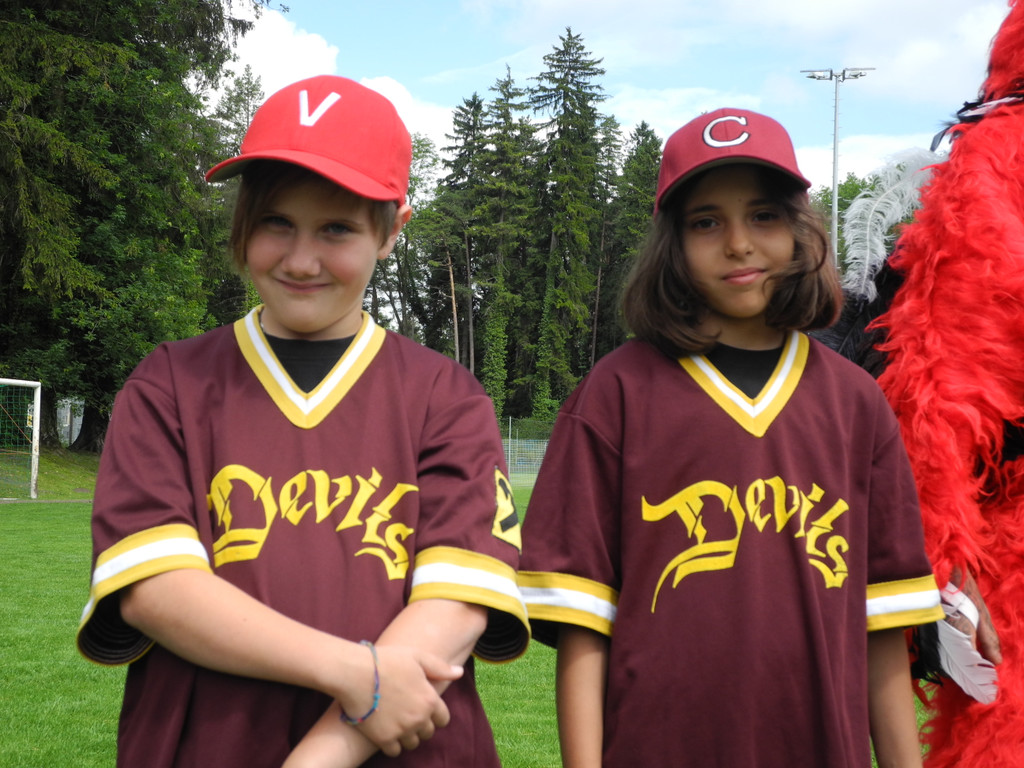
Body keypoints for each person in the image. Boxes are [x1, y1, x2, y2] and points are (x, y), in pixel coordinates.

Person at [76, 74, 529, 768]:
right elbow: (153, 589)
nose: (300, 259)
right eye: (275, 223)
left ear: (392, 230)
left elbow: (456, 605)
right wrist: (357, 676)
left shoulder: (445, 397)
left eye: (337, 228)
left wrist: (321, 754)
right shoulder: (170, 384)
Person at [517, 108, 944, 768]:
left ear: (800, 230)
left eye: (763, 216)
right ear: (672, 244)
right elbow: (581, 624)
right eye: (706, 222)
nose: (739, 243)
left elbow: (882, 623)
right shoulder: (616, 393)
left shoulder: (856, 402)